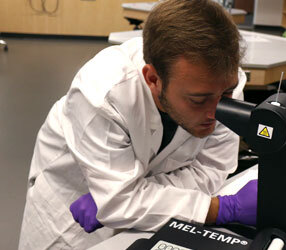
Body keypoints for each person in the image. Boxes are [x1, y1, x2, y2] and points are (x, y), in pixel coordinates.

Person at [18, 0, 258, 249]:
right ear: (153, 78)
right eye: (198, 100)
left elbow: (210, 170)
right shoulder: (103, 93)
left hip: (155, 213)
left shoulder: (220, 81)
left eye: (227, 94)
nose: (216, 112)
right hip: (71, 213)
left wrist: (133, 197)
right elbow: (119, 203)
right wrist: (221, 209)